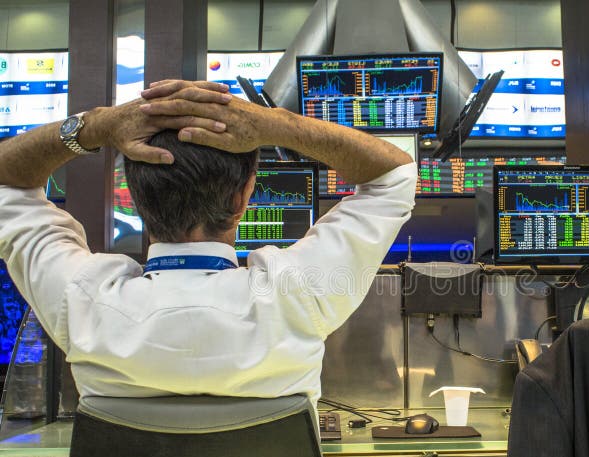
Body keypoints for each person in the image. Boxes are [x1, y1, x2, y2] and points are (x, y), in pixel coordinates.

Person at [0, 80, 416, 408]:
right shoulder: (297, 293)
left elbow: (7, 180)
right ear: (242, 199)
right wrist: (271, 124)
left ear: (136, 198)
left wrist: (98, 126)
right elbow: (393, 176)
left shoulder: (82, 300)